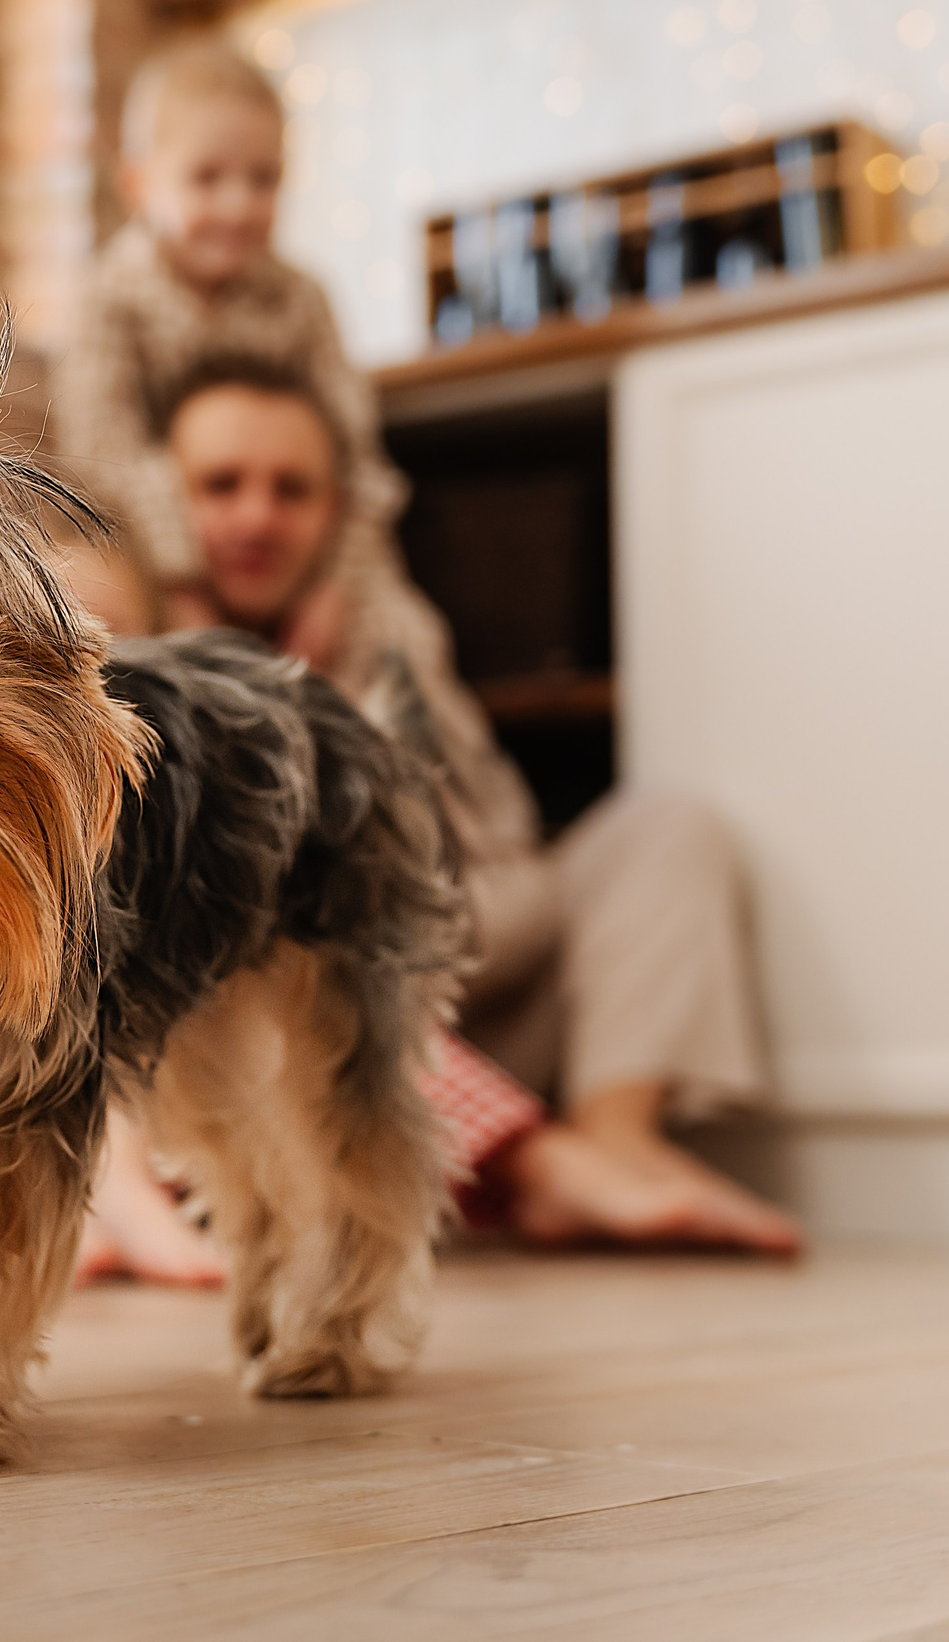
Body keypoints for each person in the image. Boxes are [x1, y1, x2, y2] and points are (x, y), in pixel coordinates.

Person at [106, 356, 804, 1252]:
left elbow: (498, 858)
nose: (256, 518)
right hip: (316, 1006)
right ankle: (541, 1165)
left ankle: (617, 1135)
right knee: (309, 955)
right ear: (167, 500)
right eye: (222, 486)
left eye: (292, 491)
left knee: (671, 832)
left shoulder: (391, 633)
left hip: (483, 964)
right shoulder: (140, 668)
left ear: (336, 512)